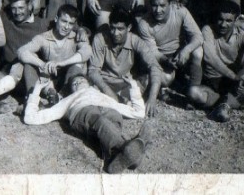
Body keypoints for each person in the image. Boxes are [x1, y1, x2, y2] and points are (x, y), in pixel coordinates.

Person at [24, 74, 152, 173]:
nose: (78, 83)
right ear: (71, 90)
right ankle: (126, 146)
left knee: (114, 117)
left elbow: (139, 112)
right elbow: (31, 118)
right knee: (100, 120)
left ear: (90, 84)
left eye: (81, 80)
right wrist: (36, 90)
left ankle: (120, 155)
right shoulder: (68, 99)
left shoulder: (103, 96)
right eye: (75, 83)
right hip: (83, 112)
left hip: (107, 109)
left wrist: (133, 86)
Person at [188, 1, 244, 122]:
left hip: (234, 83)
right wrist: (233, 75)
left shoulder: (242, 34)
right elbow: (210, 58)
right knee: (193, 92)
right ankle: (236, 104)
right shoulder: (208, 30)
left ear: (236, 21)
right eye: (220, 19)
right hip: (214, 80)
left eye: (229, 21)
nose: (223, 24)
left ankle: (224, 104)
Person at [88, 7, 162, 117]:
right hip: (104, 83)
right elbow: (93, 70)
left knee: (146, 78)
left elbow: (154, 66)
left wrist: (152, 99)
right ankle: (117, 103)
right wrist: (108, 91)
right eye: (112, 28)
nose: (115, 33)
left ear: (129, 27)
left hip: (124, 84)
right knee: (87, 86)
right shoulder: (100, 38)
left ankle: (117, 103)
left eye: (120, 29)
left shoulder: (135, 40)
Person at [137, 0, 204, 101]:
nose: (158, 10)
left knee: (198, 51)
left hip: (181, 53)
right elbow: (153, 52)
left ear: (171, 4)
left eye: (162, 5)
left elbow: (198, 36)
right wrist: (165, 60)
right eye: (154, 5)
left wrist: (186, 50)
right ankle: (167, 86)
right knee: (166, 78)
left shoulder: (180, 11)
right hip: (163, 59)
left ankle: (193, 92)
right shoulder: (144, 23)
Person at [17, 4, 92, 102]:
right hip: (48, 78)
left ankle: (62, 96)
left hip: (67, 80)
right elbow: (21, 51)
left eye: (70, 23)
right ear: (56, 19)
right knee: (29, 64)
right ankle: (33, 99)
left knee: (77, 64)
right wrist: (42, 64)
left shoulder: (76, 37)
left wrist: (60, 63)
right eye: (64, 21)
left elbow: (87, 52)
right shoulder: (43, 37)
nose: (66, 27)